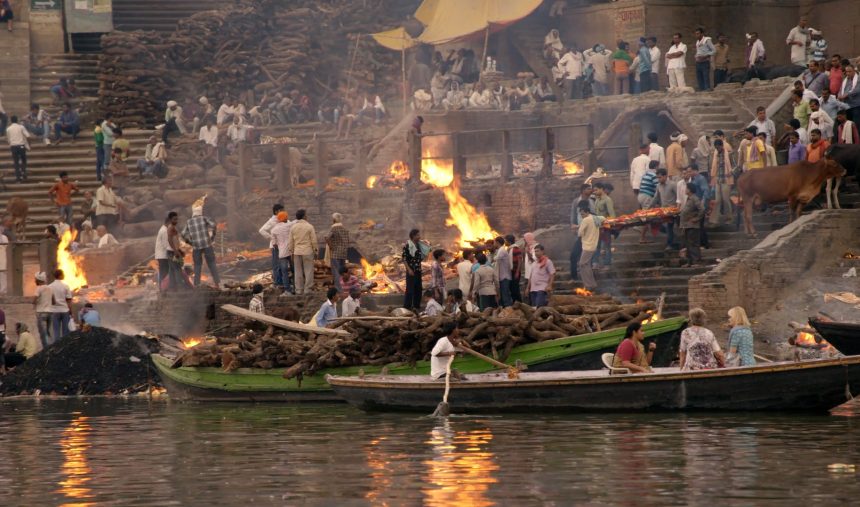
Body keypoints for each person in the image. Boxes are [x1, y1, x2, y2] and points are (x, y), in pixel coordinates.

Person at [181, 200, 220, 288]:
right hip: (207, 245)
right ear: (200, 212)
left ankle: (197, 284)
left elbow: (183, 234)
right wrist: (212, 237)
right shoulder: (204, 219)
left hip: (196, 247)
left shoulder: (189, 222)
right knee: (212, 264)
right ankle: (217, 284)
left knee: (197, 266)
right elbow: (213, 226)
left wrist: (190, 242)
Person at [289, 209, 318, 295]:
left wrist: (291, 252)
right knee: (308, 271)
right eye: (306, 215)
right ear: (304, 216)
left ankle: (299, 290)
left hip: (297, 252)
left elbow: (291, 242)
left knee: (298, 271)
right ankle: (307, 289)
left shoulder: (293, 227)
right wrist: (315, 251)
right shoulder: (309, 226)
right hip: (307, 251)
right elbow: (314, 241)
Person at [402, 228, 429, 310]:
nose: (419, 237)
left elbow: (421, 256)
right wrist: (409, 269)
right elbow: (404, 258)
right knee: (410, 289)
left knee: (418, 288)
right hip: (411, 270)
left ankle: (416, 306)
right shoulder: (408, 245)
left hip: (418, 270)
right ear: (413, 236)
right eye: (417, 235)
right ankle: (407, 307)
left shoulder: (419, 245)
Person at [650, 168, 678, 248]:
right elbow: (655, 198)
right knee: (660, 226)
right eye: (657, 178)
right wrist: (647, 208)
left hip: (672, 211)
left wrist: (677, 207)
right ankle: (672, 237)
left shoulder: (672, 184)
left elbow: (678, 196)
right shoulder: (658, 186)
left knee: (669, 227)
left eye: (660, 177)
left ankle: (670, 244)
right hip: (663, 211)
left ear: (665, 176)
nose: (658, 179)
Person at [259, 204, 285, 288]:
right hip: (275, 246)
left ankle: (282, 281)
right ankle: (277, 282)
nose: (283, 212)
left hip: (283, 246)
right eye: (282, 210)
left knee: (282, 264)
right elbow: (262, 230)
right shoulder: (272, 221)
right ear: (276, 211)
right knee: (276, 265)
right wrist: (272, 238)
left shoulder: (283, 219)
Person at [269, 211, 295, 293]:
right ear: (285, 218)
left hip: (282, 254)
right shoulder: (288, 225)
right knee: (294, 270)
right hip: (291, 252)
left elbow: (274, 244)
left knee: (284, 272)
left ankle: (287, 289)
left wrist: (280, 249)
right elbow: (296, 221)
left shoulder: (274, 230)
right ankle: (296, 287)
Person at [709, 139, 733, 226]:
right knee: (717, 200)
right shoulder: (715, 154)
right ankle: (714, 220)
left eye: (718, 147)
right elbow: (714, 167)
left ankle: (729, 219)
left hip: (726, 179)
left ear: (722, 146)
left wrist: (731, 172)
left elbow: (736, 165)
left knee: (726, 200)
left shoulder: (729, 154)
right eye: (716, 147)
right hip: (718, 180)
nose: (717, 149)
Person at [679, 183, 704, 266]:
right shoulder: (689, 199)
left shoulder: (694, 198)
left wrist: (696, 218)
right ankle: (689, 261)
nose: (685, 190)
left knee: (693, 243)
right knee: (688, 244)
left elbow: (702, 209)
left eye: (686, 188)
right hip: (686, 225)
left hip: (693, 225)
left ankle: (696, 261)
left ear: (689, 190)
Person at [592, 183, 614, 267]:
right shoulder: (597, 200)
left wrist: (607, 224)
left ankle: (607, 264)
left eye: (596, 190)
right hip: (597, 227)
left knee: (607, 246)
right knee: (596, 246)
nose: (594, 192)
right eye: (594, 190)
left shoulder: (608, 200)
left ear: (602, 189)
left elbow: (612, 215)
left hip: (605, 227)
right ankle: (595, 263)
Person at [326, 213, 349, 292]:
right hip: (343, 253)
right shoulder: (345, 229)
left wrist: (331, 246)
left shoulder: (334, 229)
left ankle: (339, 289)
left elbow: (327, 237)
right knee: (343, 272)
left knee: (336, 272)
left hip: (335, 253)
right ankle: (345, 288)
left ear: (334, 220)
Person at [48, 269, 73, 340]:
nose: (64, 275)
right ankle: (65, 347)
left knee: (56, 331)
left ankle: (57, 347)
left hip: (54, 311)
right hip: (65, 310)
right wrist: (71, 311)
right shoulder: (66, 286)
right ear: (60, 275)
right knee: (65, 332)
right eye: (63, 274)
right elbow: (69, 300)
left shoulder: (49, 287)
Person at [6, 115, 30, 182]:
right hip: (21, 146)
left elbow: (8, 140)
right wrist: (29, 144)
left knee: (16, 162)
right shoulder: (21, 127)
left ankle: (18, 178)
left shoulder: (8, 129)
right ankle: (23, 172)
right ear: (17, 120)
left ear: (11, 121)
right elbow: (28, 136)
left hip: (13, 147)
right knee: (23, 160)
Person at [33, 272, 54, 347]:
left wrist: (34, 304)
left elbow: (35, 299)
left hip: (41, 312)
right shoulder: (50, 288)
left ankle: (45, 349)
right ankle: (52, 347)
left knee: (43, 333)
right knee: (50, 332)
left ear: (38, 280)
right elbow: (53, 301)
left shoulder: (39, 288)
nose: (34, 281)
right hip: (50, 313)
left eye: (35, 280)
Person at [154, 213, 174, 291]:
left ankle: (163, 288)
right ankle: (163, 288)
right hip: (162, 256)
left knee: (163, 272)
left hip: (162, 255)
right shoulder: (164, 231)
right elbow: (167, 244)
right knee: (164, 272)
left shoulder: (163, 229)